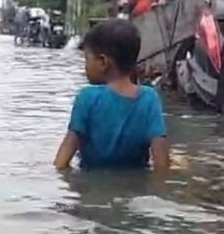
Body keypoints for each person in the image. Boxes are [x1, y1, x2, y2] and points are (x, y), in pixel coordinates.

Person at [54, 19, 169, 171]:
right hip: (134, 190)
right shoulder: (149, 99)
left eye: (87, 59)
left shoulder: (87, 97)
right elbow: (161, 165)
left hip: (91, 189)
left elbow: (61, 162)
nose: (85, 66)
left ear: (103, 62)